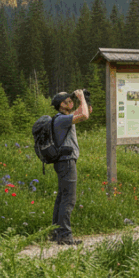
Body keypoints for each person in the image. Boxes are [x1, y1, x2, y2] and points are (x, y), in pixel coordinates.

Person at [49, 89, 90, 245]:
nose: (72, 102)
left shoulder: (64, 118)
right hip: (66, 161)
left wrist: (84, 99)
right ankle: (65, 236)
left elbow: (86, 110)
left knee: (62, 197)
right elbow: (85, 115)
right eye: (69, 100)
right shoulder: (62, 119)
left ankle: (55, 233)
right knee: (69, 199)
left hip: (63, 161)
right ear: (62, 104)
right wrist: (80, 98)